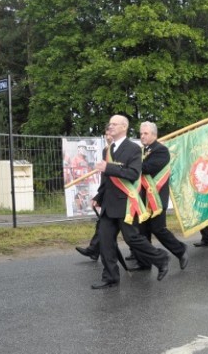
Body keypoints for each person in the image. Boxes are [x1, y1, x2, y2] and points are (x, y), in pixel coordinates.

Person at [90, 115, 169, 289]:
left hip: (125, 203)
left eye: (114, 124)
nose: (110, 127)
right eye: (109, 124)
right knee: (105, 240)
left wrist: (108, 167)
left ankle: (160, 258)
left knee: (132, 238)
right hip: (109, 204)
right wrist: (98, 196)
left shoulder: (134, 149)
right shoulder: (107, 150)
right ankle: (110, 277)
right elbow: (106, 179)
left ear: (124, 127)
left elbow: (133, 174)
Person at [130, 121, 189, 270]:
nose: (142, 136)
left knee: (158, 229)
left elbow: (148, 168)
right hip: (143, 198)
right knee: (142, 231)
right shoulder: (142, 151)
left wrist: (129, 165)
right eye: (141, 133)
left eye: (145, 133)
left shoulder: (161, 151)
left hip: (155, 198)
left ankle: (180, 250)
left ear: (154, 135)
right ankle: (145, 263)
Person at [75, 124, 113, 261]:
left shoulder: (123, 151)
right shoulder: (105, 151)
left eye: (111, 134)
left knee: (131, 231)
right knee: (103, 223)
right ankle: (94, 250)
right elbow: (105, 176)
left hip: (123, 195)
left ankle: (146, 255)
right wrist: (99, 195)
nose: (108, 137)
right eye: (106, 134)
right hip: (108, 192)